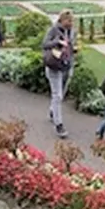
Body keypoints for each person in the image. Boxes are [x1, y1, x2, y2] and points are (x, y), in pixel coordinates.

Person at [41, 9, 76, 138]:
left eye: (72, 20)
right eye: (68, 20)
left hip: (67, 65)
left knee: (62, 92)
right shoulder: (53, 30)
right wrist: (57, 42)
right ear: (62, 20)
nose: (71, 23)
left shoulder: (72, 31)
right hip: (54, 65)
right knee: (58, 95)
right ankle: (59, 125)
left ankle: (52, 111)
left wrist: (73, 48)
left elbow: (72, 45)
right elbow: (44, 44)